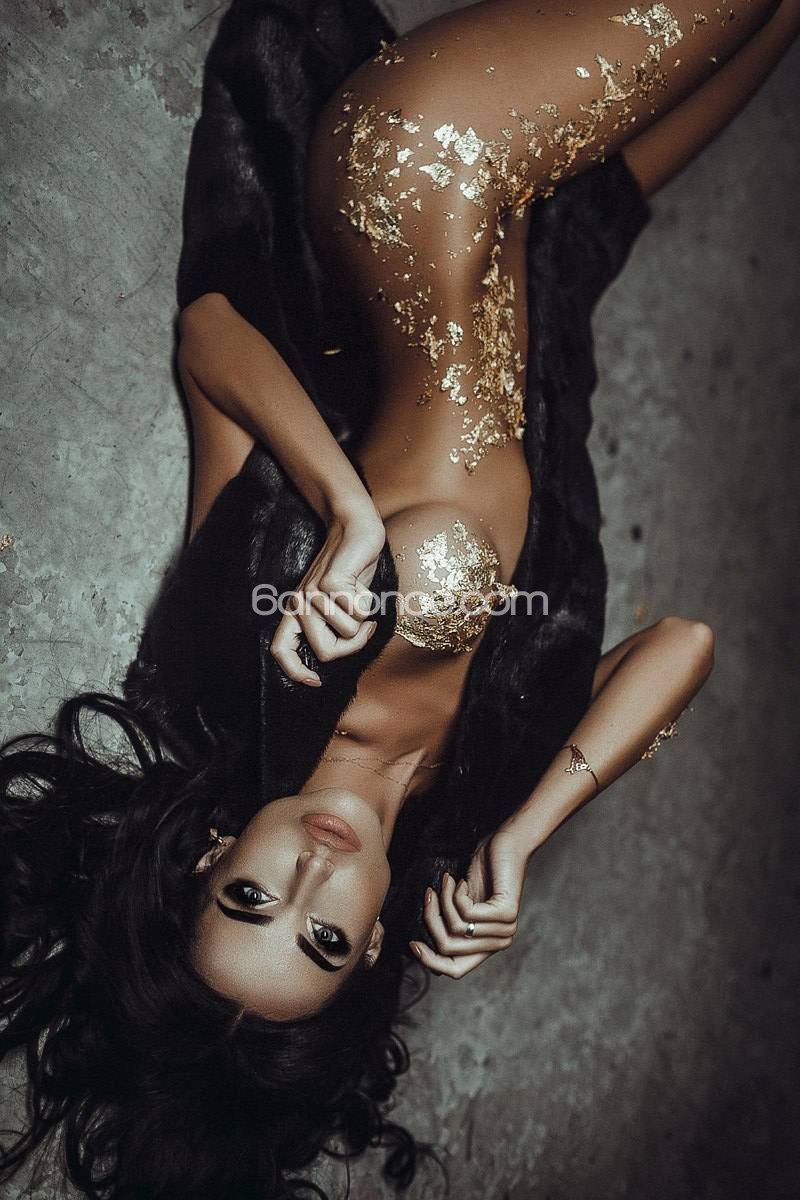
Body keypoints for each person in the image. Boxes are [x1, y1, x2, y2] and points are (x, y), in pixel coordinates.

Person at [2, 1, 797, 1197]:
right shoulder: (478, 799)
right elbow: (681, 648)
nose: (309, 878)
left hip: (424, 167)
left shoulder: (227, 671)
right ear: (373, 945)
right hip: (547, 241)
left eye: (249, 897)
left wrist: (343, 511)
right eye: (322, 935)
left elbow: (210, 336)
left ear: (212, 854)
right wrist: (524, 835)